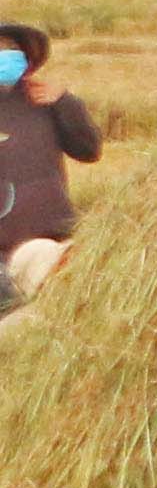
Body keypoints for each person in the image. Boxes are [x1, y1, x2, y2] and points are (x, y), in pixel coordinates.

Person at [0, 25, 99, 311]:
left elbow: (89, 150)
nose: (5, 57)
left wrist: (65, 103)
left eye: (11, 51)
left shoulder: (47, 102)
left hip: (48, 241)